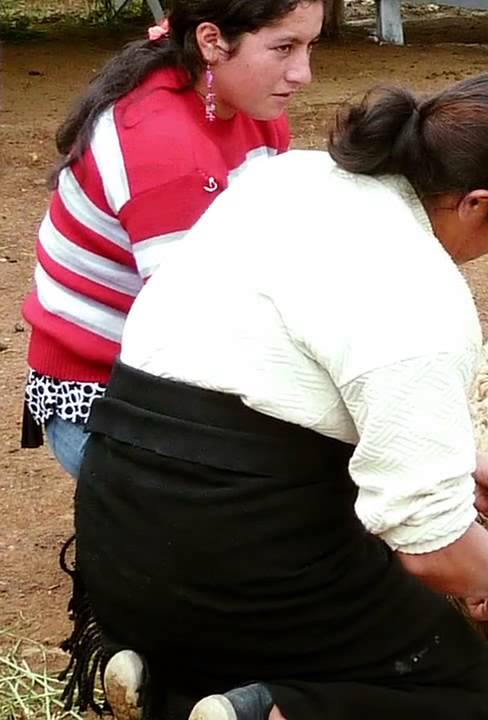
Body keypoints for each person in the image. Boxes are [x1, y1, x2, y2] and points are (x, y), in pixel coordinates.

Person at [59, 72, 488, 720]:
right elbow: (434, 550)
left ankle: (168, 679)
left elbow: (260, 373)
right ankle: (263, 710)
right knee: (457, 679)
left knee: (301, 590)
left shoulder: (288, 177)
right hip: (227, 547)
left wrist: (457, 460)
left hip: (116, 527)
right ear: (476, 202)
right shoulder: (421, 287)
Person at [19, 0, 324, 480]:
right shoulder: (164, 146)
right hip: (103, 398)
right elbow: (199, 335)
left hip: (168, 365)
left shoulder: (247, 103)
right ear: (211, 41)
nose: (303, 73)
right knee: (290, 504)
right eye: (283, 48)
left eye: (309, 46)